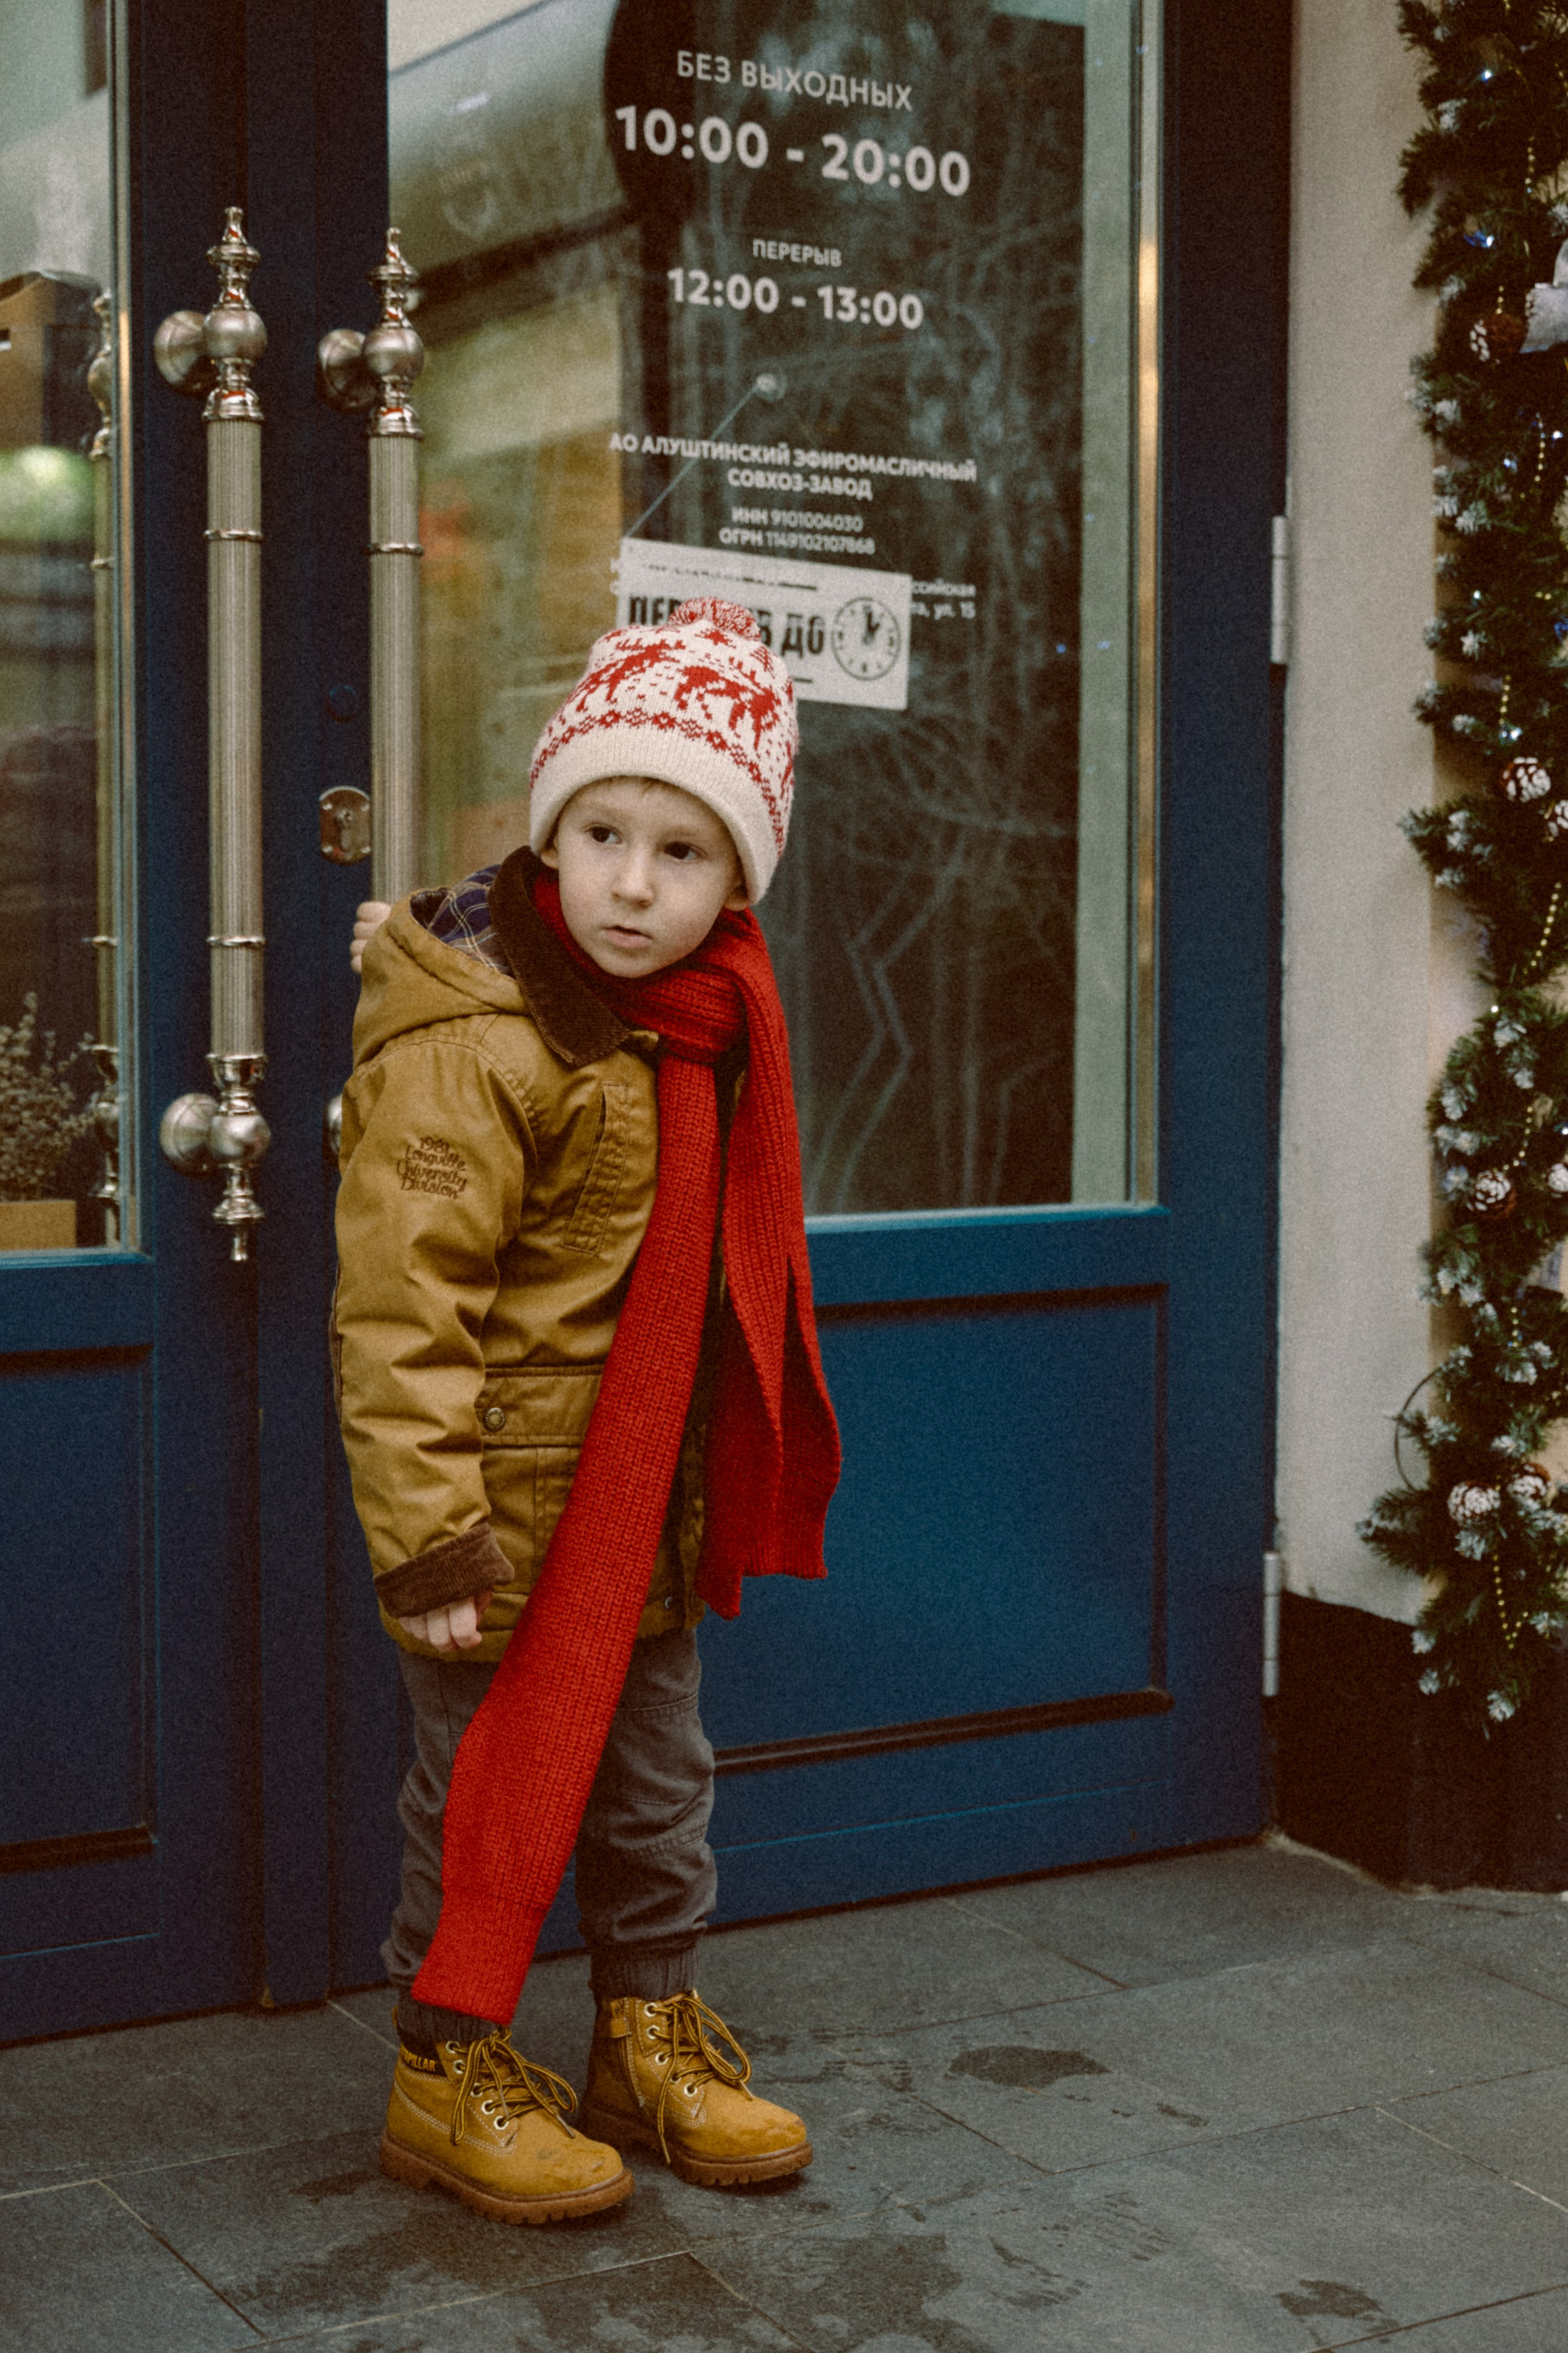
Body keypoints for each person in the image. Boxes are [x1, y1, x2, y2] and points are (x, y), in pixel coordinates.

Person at [333, 597, 840, 2227]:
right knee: (479, 1788)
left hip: (640, 1508)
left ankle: (643, 2032)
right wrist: (431, 1539)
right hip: (498, 1523)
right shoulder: (483, 1036)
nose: (635, 882)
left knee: (655, 1787)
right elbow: (405, 1313)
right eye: (605, 832)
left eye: (683, 852)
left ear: (736, 881)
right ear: (552, 834)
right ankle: (447, 2063)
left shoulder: (700, 1029)